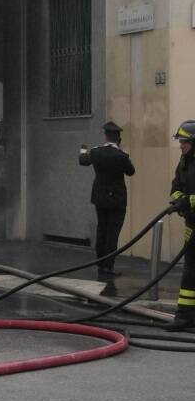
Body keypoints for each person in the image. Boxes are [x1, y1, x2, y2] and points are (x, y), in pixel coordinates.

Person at [78, 121, 135, 282]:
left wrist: (83, 148)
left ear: (105, 136)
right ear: (118, 139)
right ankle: (109, 266)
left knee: (101, 230)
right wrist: (123, 154)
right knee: (112, 233)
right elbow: (131, 172)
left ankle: (100, 263)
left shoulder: (96, 152)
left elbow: (82, 160)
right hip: (117, 200)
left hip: (100, 198)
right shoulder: (121, 156)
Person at [165, 119, 195, 331]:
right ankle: (185, 316)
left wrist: (189, 201)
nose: (181, 145)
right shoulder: (184, 162)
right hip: (191, 225)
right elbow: (176, 186)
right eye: (180, 141)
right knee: (190, 271)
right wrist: (178, 200)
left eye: (184, 141)